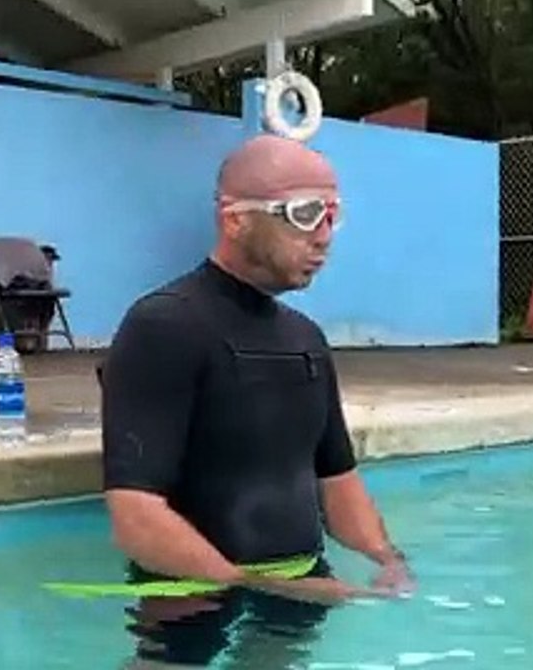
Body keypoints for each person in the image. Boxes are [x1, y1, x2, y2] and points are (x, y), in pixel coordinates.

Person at [100, 134, 414, 667]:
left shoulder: (306, 338)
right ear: (234, 219)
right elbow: (136, 514)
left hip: (299, 588)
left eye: (333, 215)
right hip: (190, 592)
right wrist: (252, 583)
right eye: (305, 213)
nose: (324, 236)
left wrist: (388, 559)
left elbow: (337, 479)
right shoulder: (165, 325)